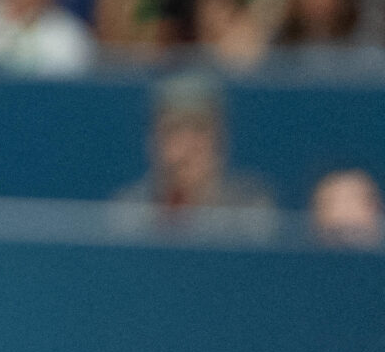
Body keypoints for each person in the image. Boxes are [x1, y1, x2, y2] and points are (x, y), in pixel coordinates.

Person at [107, 70, 278, 232]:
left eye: (199, 128)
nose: (186, 145)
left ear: (221, 138)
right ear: (153, 140)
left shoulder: (249, 208)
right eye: (173, 129)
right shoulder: (127, 211)